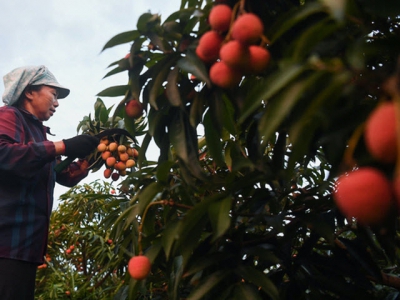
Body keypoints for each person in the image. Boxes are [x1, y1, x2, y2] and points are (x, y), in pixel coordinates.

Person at [0, 65, 99, 299]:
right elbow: (3, 154)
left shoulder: (39, 134)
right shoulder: (9, 115)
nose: (56, 103)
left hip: (25, 247)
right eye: (53, 94)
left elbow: (49, 170)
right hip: (5, 243)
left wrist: (81, 168)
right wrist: (63, 146)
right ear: (29, 92)